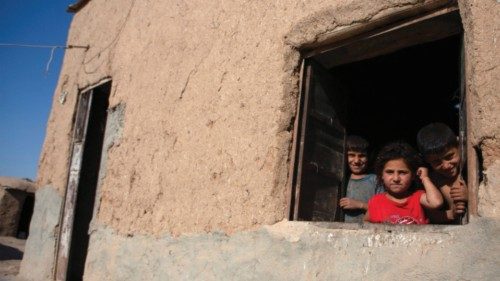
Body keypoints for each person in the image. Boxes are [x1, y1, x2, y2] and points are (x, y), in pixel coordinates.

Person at [364, 141, 443, 224]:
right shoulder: (376, 201)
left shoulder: (418, 197)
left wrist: (425, 178)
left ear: (413, 175)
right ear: (381, 175)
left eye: (402, 172)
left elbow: (436, 203)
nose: (396, 178)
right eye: (390, 172)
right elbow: (366, 223)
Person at [416, 123, 468, 223]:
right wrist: (451, 214)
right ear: (427, 161)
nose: (446, 166)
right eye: (437, 162)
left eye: (449, 157)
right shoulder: (431, 181)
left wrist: (470, 195)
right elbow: (429, 216)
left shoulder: (471, 168)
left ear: (459, 146)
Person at [340, 135, 383, 223]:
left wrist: (360, 205)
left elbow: (383, 210)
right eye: (351, 155)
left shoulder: (375, 180)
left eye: (362, 156)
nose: (356, 161)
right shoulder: (340, 179)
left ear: (369, 157)